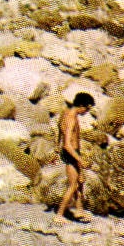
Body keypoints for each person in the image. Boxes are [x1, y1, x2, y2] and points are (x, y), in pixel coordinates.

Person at [55, 92, 94, 222]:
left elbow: (59, 129)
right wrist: (80, 159)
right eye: (87, 109)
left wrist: (56, 145)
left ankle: (79, 211)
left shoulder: (66, 112)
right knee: (72, 185)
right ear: (82, 106)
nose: (87, 112)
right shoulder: (71, 118)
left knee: (80, 182)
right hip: (71, 153)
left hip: (74, 152)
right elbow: (67, 144)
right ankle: (59, 215)